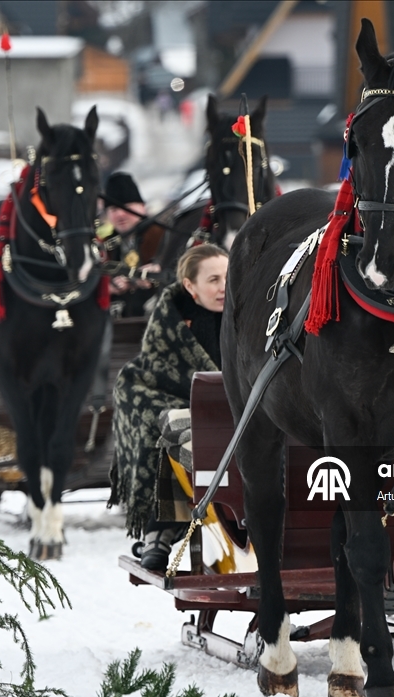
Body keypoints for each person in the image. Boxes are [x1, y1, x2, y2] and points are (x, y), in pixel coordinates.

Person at [110, 244, 228, 570]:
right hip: (172, 395)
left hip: (234, 402)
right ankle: (159, 532)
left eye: (229, 278)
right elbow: (160, 369)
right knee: (176, 427)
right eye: (214, 279)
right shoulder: (172, 318)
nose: (223, 287)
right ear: (190, 286)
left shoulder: (249, 312)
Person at [98, 171, 163, 317]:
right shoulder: (104, 246)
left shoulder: (163, 236)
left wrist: (158, 272)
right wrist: (109, 286)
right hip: (119, 326)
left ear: (142, 207)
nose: (120, 214)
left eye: (126, 207)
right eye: (114, 209)